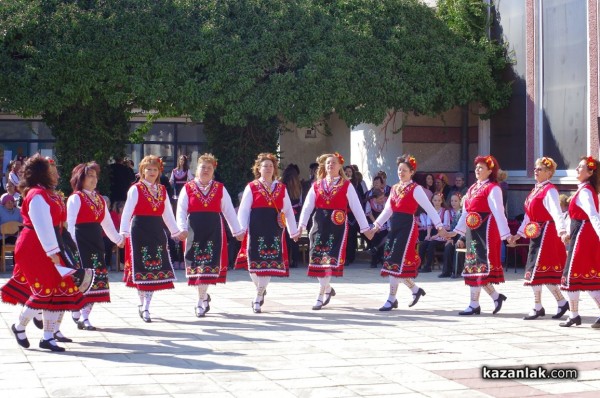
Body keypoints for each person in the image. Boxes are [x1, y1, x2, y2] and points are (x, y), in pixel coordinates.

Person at [0, 155, 88, 352]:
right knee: (44, 291)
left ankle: (47, 337)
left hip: (50, 244)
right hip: (35, 246)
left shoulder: (51, 194)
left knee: (55, 290)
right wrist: (53, 252)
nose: (56, 173)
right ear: (42, 173)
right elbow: (42, 226)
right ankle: (20, 326)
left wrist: (65, 246)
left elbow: (59, 224)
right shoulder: (37, 194)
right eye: (52, 170)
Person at [370, 155, 448, 311]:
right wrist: (375, 225)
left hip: (407, 227)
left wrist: (439, 226)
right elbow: (388, 210)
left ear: (412, 172)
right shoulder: (394, 188)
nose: (401, 173)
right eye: (399, 170)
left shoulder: (415, 188)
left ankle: (391, 299)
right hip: (395, 227)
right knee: (395, 262)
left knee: (395, 260)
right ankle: (415, 290)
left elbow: (429, 207)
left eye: (404, 170)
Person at [298, 152, 373, 310]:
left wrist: (365, 228)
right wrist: (301, 225)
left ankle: (320, 295)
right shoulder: (317, 185)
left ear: (340, 167)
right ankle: (328, 289)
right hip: (319, 225)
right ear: (324, 167)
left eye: (334, 163)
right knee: (317, 258)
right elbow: (307, 206)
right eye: (328, 163)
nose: (330, 165)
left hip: (337, 226)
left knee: (328, 260)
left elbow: (357, 207)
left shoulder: (347, 185)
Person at [176, 154, 244, 317]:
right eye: (202, 167)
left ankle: (200, 301)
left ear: (213, 171)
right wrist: (181, 228)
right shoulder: (188, 188)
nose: (205, 170)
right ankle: (204, 296)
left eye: (209, 168)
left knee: (207, 267)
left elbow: (228, 211)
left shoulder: (220, 188)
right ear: (196, 169)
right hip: (194, 231)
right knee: (196, 267)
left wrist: (237, 231)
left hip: (213, 230)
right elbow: (181, 210)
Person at [119, 155, 185, 323]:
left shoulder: (162, 190)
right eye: (148, 169)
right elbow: (127, 212)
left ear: (159, 171)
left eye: (155, 169)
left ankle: (147, 305)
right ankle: (143, 305)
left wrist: (176, 232)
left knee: (154, 268)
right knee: (142, 268)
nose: (151, 172)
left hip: (156, 230)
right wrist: (123, 232)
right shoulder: (136, 189)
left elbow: (167, 214)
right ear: (142, 170)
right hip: (139, 230)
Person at [506, 157, 568, 320]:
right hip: (536, 232)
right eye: (535, 168)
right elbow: (528, 216)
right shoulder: (535, 190)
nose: (535, 171)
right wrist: (518, 234)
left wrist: (562, 231)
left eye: (539, 169)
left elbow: (556, 212)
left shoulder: (550, 190)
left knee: (537, 270)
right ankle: (559, 303)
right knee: (538, 271)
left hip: (547, 233)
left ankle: (538, 306)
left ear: (549, 173)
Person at [236, 153, 299, 313]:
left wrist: (293, 230)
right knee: (253, 266)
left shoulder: (281, 187)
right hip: (255, 229)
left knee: (268, 264)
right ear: (258, 168)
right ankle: (261, 288)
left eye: (271, 166)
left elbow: (288, 211)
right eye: (265, 166)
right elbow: (243, 210)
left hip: (274, 229)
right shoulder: (252, 186)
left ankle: (258, 297)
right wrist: (240, 229)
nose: (268, 168)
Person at [450, 155, 511, 316]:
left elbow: (499, 212)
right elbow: (465, 213)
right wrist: (455, 232)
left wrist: (506, 235)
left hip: (486, 231)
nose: (477, 170)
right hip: (473, 231)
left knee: (480, 265)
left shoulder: (493, 188)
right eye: (476, 167)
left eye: (481, 167)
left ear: (490, 171)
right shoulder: (471, 189)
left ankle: (474, 304)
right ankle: (493, 298)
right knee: (473, 266)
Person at [66, 162, 125, 330]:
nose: (93, 179)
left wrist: (118, 239)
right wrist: (72, 247)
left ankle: (84, 316)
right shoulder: (75, 198)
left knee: (96, 281)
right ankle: (78, 313)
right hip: (80, 241)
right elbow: (69, 225)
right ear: (80, 178)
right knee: (82, 279)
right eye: (89, 176)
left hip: (96, 241)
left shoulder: (99, 199)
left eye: (95, 176)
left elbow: (107, 223)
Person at [556, 156, 600, 328]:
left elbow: (593, 216)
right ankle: (574, 315)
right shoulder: (584, 190)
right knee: (580, 277)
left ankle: (574, 315)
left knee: (578, 276)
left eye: (581, 167)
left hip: (584, 237)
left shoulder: (586, 192)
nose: (577, 169)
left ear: (590, 173)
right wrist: (567, 232)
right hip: (579, 235)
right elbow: (574, 216)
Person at [417, 193, 449, 273]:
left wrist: (437, 235)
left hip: (442, 234)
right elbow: (428, 224)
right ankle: (418, 266)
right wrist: (428, 235)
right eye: (435, 200)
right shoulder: (430, 211)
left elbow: (445, 226)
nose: (437, 202)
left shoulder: (445, 212)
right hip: (432, 233)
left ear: (442, 201)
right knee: (423, 244)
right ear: (432, 201)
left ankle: (428, 266)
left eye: (439, 200)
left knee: (431, 245)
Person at [281, 164, 303, 268]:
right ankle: (295, 260)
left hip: (284, 213)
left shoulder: (282, 184)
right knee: (294, 237)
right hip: (296, 213)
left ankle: (286, 259)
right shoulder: (299, 185)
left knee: (285, 237)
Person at [439, 192, 463, 278]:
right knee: (449, 245)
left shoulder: (464, 212)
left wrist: (461, 239)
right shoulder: (457, 214)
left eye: (456, 201)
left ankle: (456, 271)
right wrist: (450, 238)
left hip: (464, 238)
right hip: (455, 236)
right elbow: (453, 228)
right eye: (452, 201)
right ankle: (446, 271)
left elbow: (468, 229)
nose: (453, 203)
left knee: (458, 246)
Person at [365, 188, 388, 268]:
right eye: (380, 198)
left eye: (383, 198)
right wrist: (376, 225)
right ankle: (374, 260)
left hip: (383, 222)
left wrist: (381, 225)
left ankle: (382, 258)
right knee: (374, 240)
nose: (382, 200)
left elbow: (386, 214)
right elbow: (370, 215)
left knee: (384, 238)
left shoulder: (385, 202)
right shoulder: (370, 203)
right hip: (373, 222)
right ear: (375, 198)